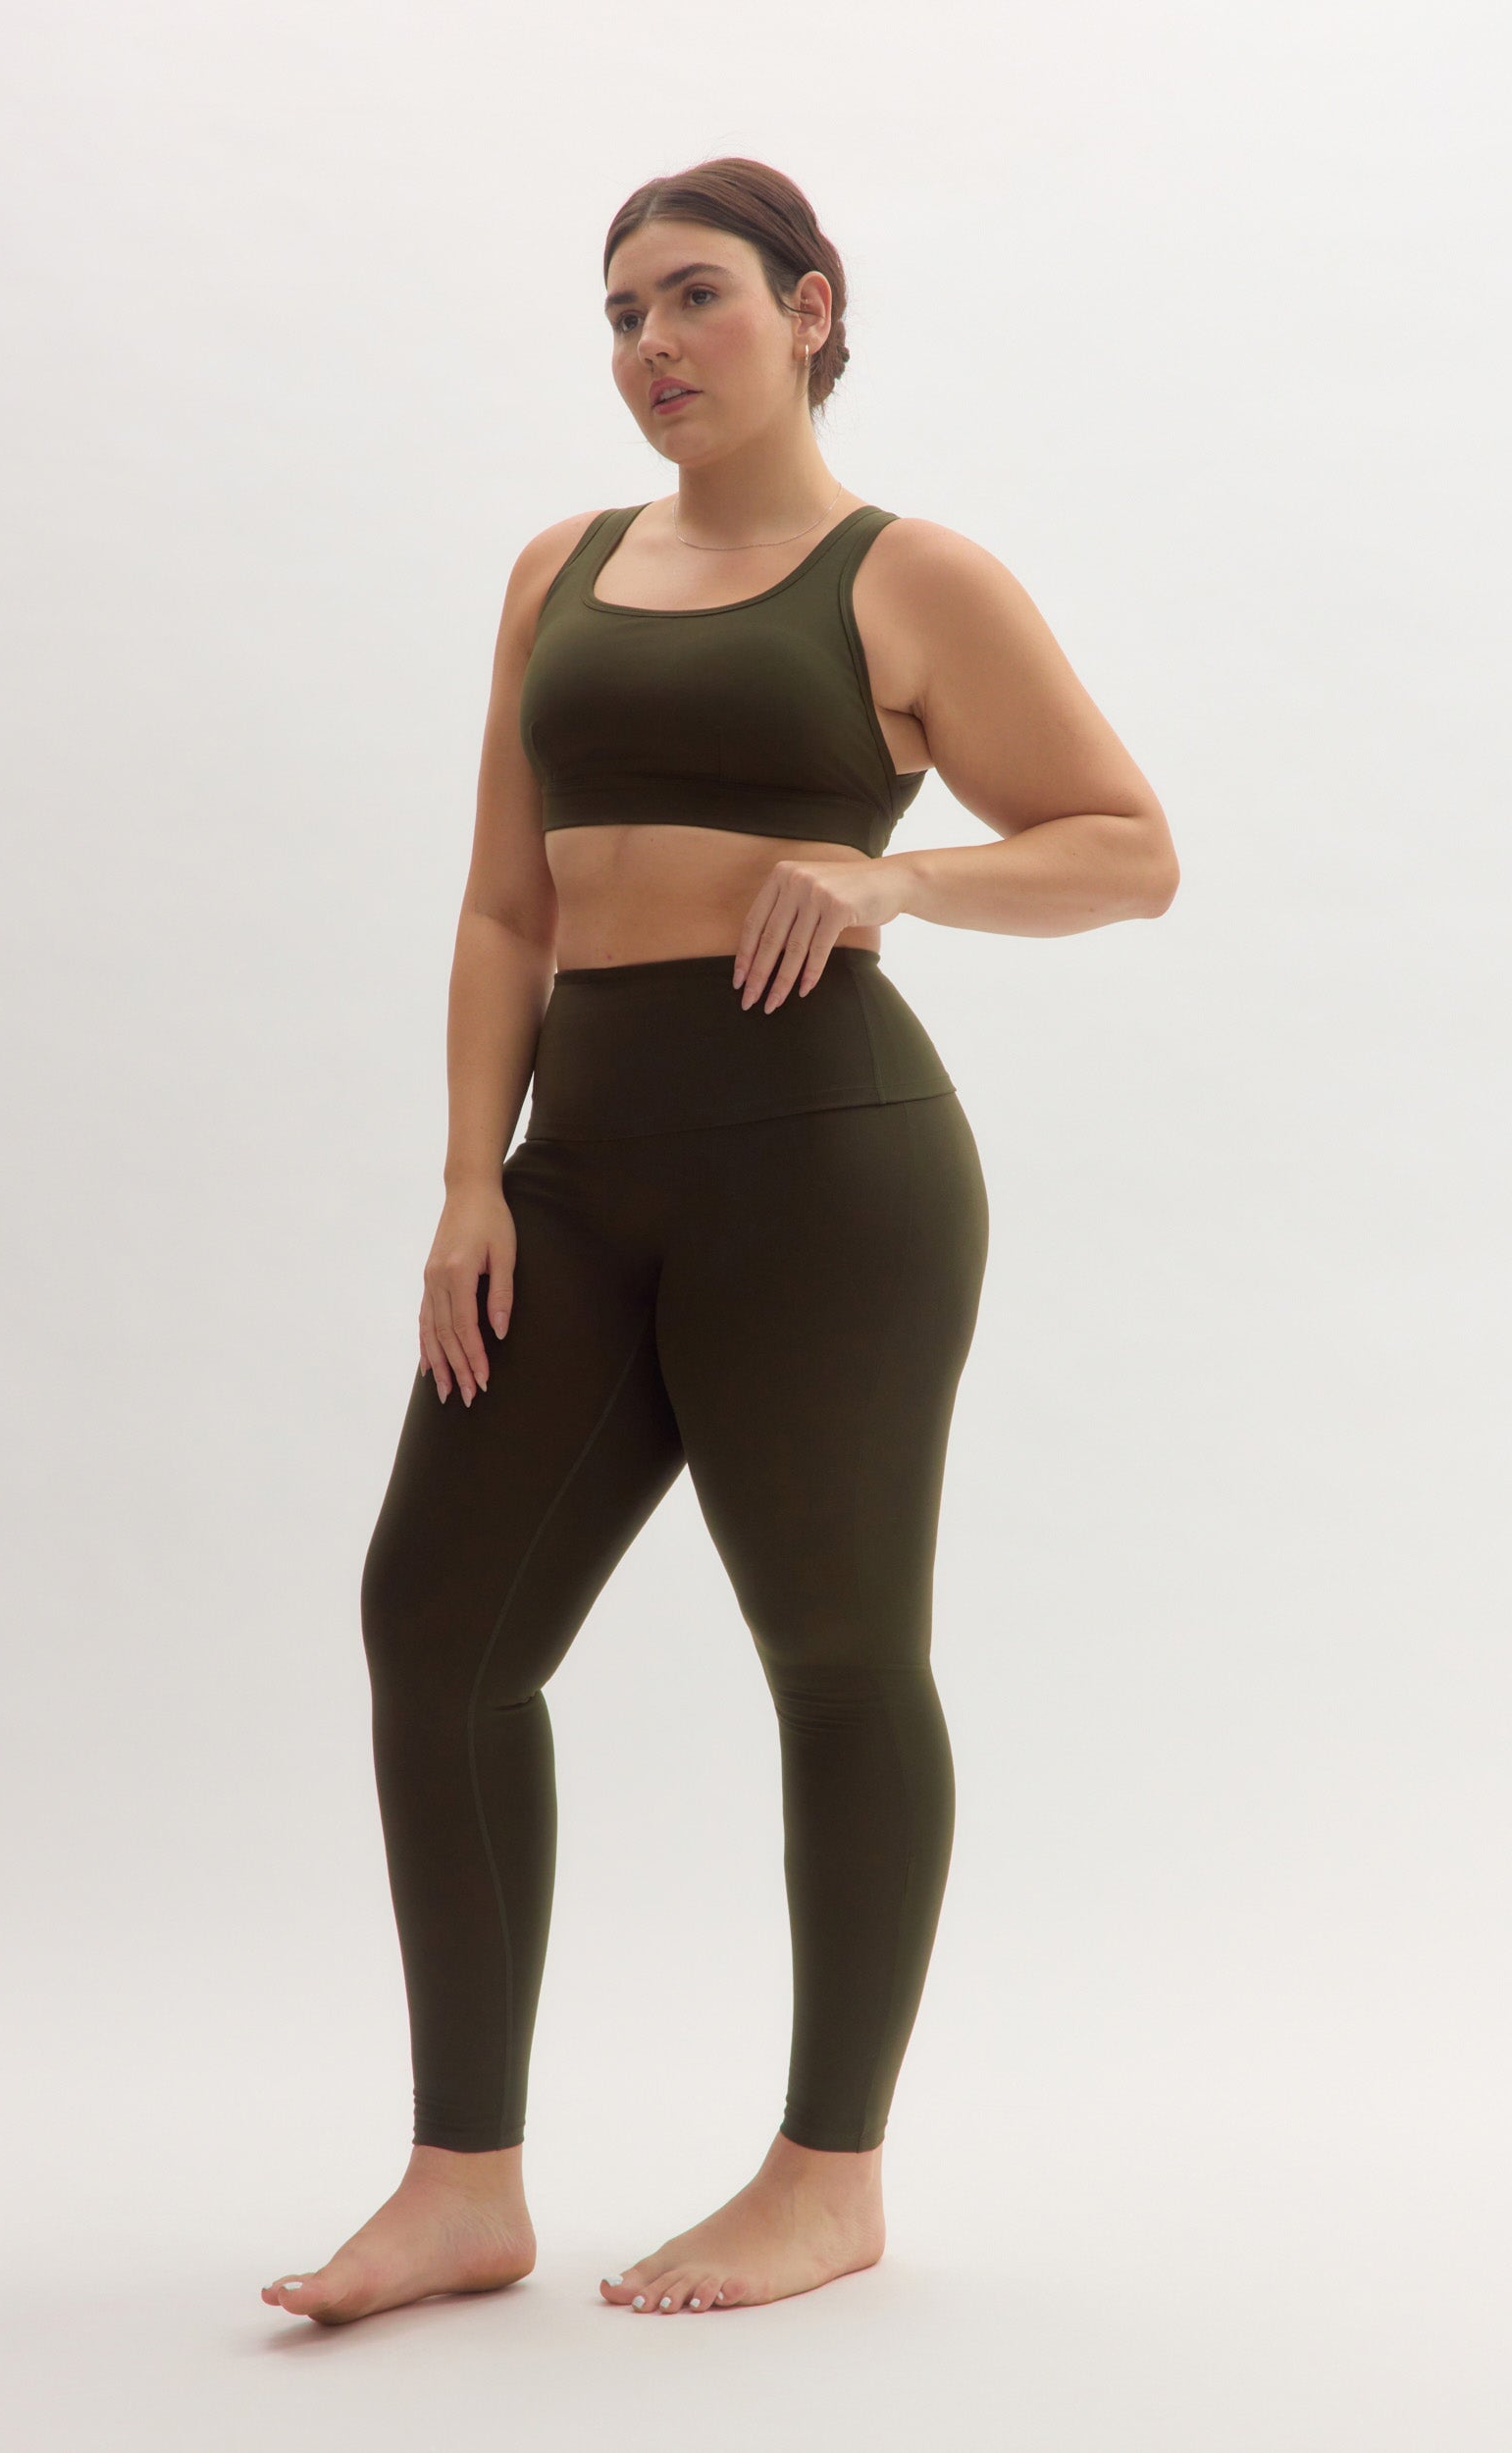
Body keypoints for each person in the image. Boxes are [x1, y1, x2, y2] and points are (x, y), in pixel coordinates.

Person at [262, 154, 1177, 2327]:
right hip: (579, 1176)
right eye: (620, 313)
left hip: (828, 1170)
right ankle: (463, 2182)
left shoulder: (909, 576)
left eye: (694, 297)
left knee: (836, 1651)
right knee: (436, 1627)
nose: (650, 346)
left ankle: (827, 2175)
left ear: (809, 308)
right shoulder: (559, 570)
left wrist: (897, 878)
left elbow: (1128, 846)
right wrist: (471, 1179)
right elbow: (507, 905)